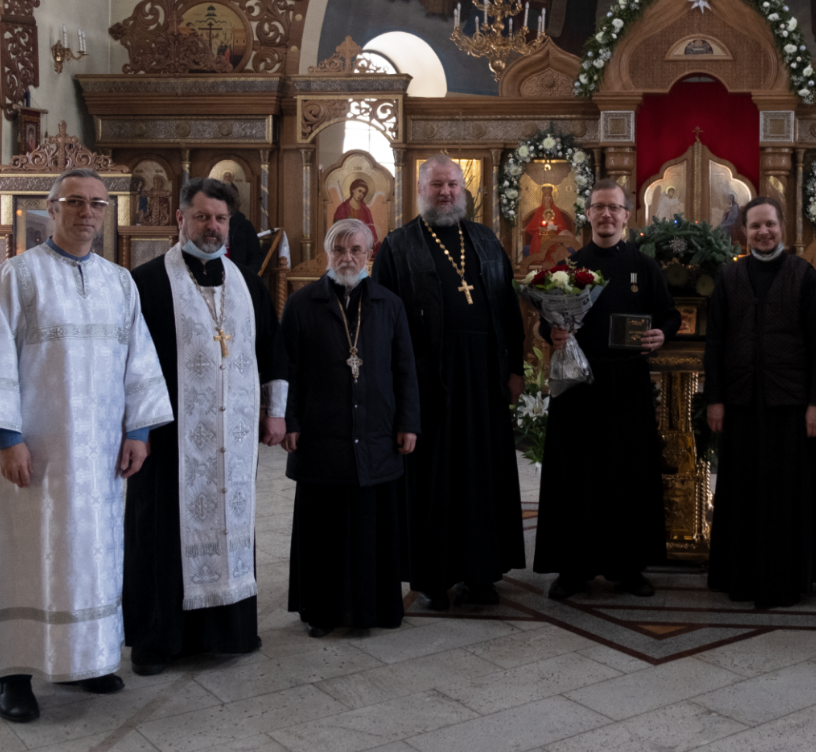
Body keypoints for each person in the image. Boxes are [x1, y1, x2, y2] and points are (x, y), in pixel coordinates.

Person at [0, 168, 173, 723]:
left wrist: (138, 431)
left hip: (99, 452)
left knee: (91, 555)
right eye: (75, 202)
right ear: (52, 208)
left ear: (106, 213)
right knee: (24, 553)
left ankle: (86, 659)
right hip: (38, 450)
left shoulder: (119, 282)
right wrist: (8, 436)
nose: (87, 212)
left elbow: (139, 360)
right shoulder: (16, 276)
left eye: (97, 204)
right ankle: (12, 672)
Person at [124, 179, 288, 675]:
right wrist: (134, 428)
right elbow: (130, 361)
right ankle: (156, 641)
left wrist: (275, 411)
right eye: (201, 217)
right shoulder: (146, 282)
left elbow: (272, 349)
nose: (211, 227)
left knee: (230, 524)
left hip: (233, 438)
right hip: (166, 435)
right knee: (158, 531)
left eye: (220, 218)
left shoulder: (247, 283)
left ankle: (228, 633)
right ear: (181, 219)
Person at [371, 155, 525, 609]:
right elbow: (384, 321)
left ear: (463, 190)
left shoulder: (485, 239)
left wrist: (515, 368)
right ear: (420, 189)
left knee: (482, 475)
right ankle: (432, 577)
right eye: (437, 185)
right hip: (428, 379)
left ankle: (482, 572)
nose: (446, 193)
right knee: (433, 479)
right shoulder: (399, 245)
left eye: (453, 185)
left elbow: (509, 310)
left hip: (484, 378)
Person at [539, 178, 680, 598]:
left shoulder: (644, 266)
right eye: (598, 207)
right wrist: (552, 333)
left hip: (627, 384)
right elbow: (548, 318)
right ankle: (573, 568)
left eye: (614, 207)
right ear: (587, 214)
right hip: (578, 385)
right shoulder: (569, 268)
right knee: (576, 475)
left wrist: (662, 333)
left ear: (626, 215)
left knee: (628, 474)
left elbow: (669, 314)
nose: (606, 214)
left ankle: (628, 567)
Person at [281, 218, 420, 633]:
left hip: (376, 431)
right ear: (327, 254)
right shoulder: (301, 304)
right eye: (339, 250)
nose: (347, 257)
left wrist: (408, 422)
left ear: (369, 254)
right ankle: (322, 612)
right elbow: (288, 370)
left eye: (356, 250)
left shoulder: (389, 304)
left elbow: (405, 370)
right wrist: (289, 421)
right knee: (324, 527)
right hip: (321, 434)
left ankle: (372, 611)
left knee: (369, 526)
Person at [703, 196, 816, 608]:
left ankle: (785, 580)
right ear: (743, 231)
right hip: (741, 402)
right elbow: (715, 342)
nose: (763, 232)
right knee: (742, 491)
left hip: (790, 405)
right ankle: (740, 576)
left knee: (785, 495)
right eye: (756, 226)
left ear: (782, 227)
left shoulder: (804, 276)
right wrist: (715, 399)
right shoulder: (730, 276)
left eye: (770, 225)